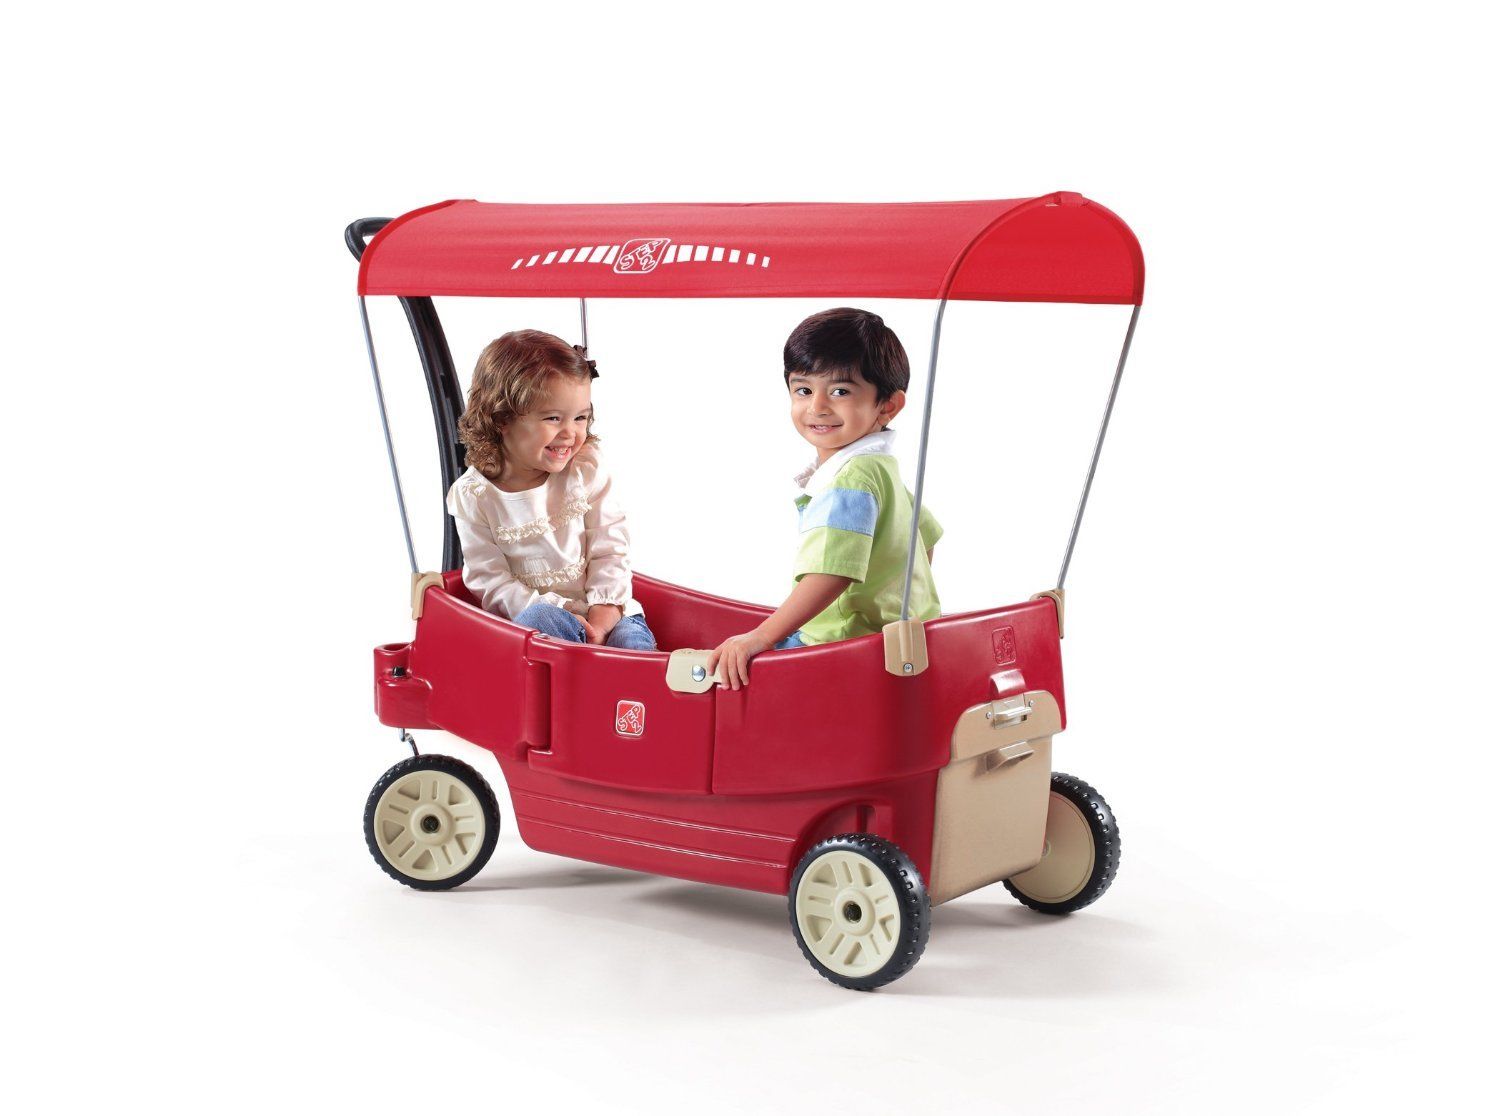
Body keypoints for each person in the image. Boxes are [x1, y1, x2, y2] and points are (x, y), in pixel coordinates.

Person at [707, 308, 941, 688]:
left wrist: (761, 637)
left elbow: (833, 570)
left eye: (840, 391)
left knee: (725, 677)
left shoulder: (850, 479)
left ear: (888, 405)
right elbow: (924, 543)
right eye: (803, 390)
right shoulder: (881, 468)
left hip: (839, 646)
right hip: (898, 641)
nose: (817, 406)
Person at [446, 329, 656, 650]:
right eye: (554, 417)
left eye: (581, 417)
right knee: (541, 622)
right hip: (537, 625)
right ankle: (581, 682)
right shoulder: (475, 497)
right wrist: (561, 612)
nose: (571, 433)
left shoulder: (584, 470)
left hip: (608, 612)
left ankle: (632, 687)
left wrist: (602, 617)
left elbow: (609, 549)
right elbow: (490, 581)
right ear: (502, 419)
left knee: (632, 645)